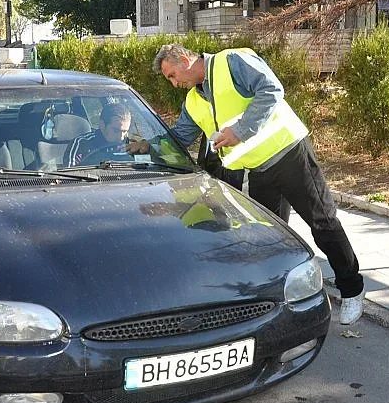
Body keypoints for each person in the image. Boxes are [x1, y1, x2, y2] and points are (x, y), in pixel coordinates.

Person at [131, 43, 364, 324]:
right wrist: (148, 147)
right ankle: (279, 301)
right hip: (259, 169)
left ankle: (352, 290)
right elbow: (179, 138)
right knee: (269, 240)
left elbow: (272, 90)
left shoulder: (231, 61)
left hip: (289, 154)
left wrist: (240, 131)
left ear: (183, 59)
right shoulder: (194, 101)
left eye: (171, 75)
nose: (173, 83)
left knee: (322, 223)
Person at [64, 102, 132, 166]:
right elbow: (69, 175)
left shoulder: (132, 145)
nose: (121, 137)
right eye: (116, 131)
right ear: (102, 125)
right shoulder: (81, 144)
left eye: (125, 131)